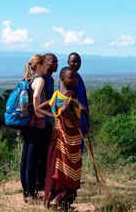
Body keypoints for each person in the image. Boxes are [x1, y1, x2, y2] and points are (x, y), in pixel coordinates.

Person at [36, 67, 86, 210]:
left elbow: (39, 108)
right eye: (71, 77)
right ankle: (62, 199)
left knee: (57, 167)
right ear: (63, 79)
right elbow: (64, 109)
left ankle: (57, 200)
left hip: (58, 135)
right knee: (69, 167)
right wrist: (75, 121)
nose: (74, 80)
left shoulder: (57, 94)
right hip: (69, 138)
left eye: (75, 77)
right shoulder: (70, 94)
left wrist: (55, 116)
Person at [20, 54, 47, 201]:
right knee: (32, 159)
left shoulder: (28, 79)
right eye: (45, 64)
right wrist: (39, 112)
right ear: (39, 66)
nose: (47, 66)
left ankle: (26, 191)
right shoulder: (39, 80)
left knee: (25, 158)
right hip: (35, 124)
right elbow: (36, 96)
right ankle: (30, 193)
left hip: (26, 123)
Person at [36, 53, 58, 191]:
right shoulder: (42, 79)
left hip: (47, 120)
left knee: (46, 153)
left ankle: (44, 181)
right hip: (42, 120)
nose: (56, 64)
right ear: (46, 63)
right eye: (53, 62)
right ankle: (39, 184)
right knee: (41, 153)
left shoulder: (50, 79)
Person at [67, 52, 89, 152]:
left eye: (78, 61)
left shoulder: (77, 76)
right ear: (68, 62)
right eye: (73, 61)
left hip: (81, 119)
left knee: (79, 151)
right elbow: (65, 97)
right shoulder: (68, 77)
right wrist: (78, 105)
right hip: (73, 120)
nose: (76, 64)